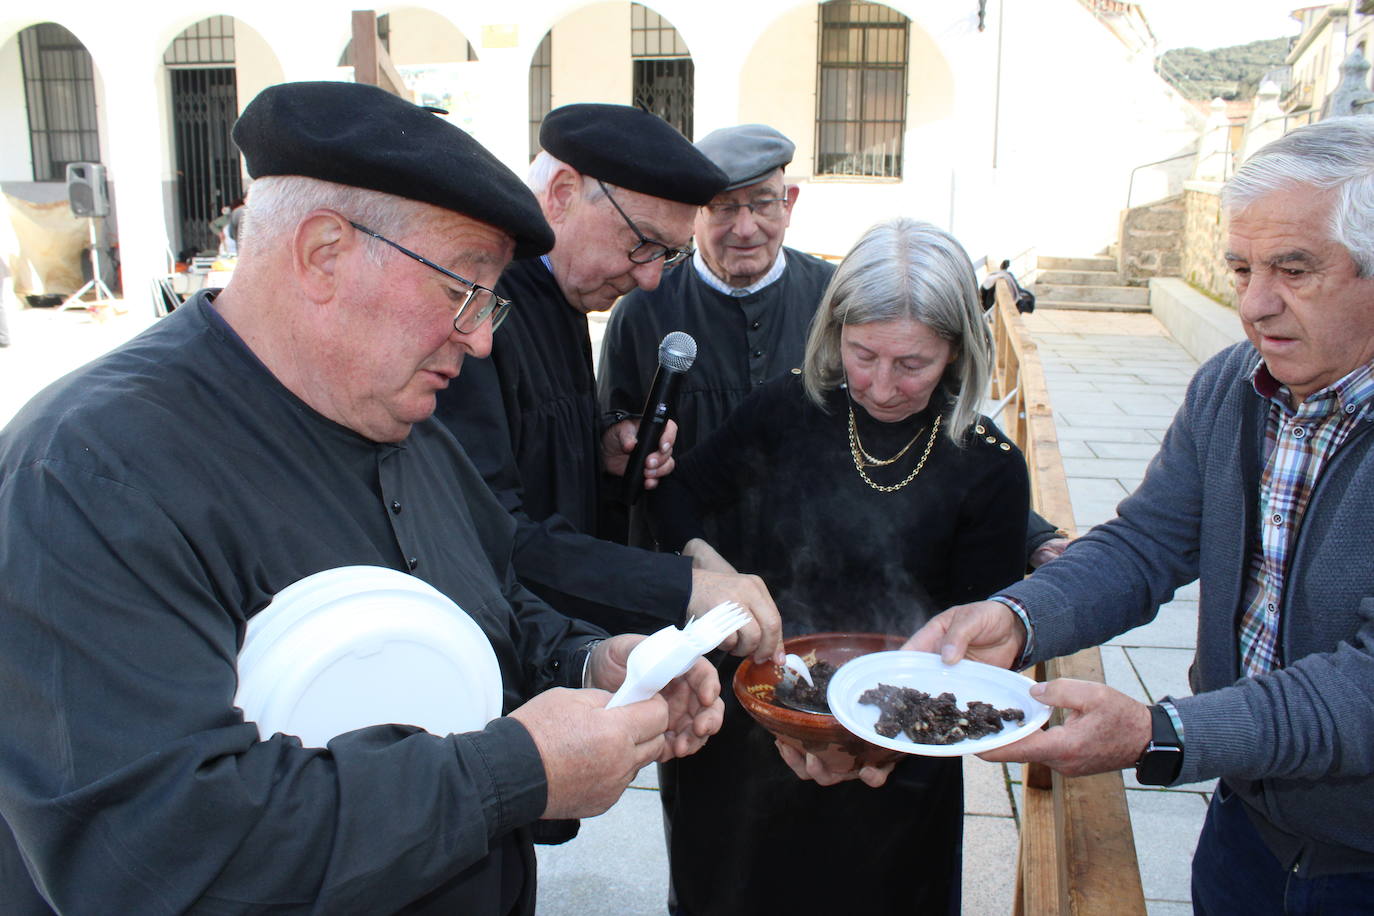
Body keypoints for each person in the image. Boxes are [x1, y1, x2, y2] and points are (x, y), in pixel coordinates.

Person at [0, 81, 724, 915]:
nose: (482, 338)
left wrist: (593, 664)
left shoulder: (409, 430)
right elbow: (154, 846)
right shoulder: (92, 469)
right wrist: (519, 771)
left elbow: (500, 608)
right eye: (463, 290)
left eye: (490, 301)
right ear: (323, 254)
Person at [911, 116, 1374, 913]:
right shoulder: (1235, 384)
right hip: (1246, 830)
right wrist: (1017, 618)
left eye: (1294, 270)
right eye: (1240, 268)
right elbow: (1147, 543)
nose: (1256, 305)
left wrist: (1162, 733)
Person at [646, 218, 1032, 914]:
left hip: (900, 747)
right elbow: (677, 497)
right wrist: (710, 571)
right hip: (755, 729)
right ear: (835, 333)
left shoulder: (989, 467)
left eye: (912, 364)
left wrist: (874, 749)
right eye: (862, 354)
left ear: (957, 351)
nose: (881, 386)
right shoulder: (788, 408)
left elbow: (977, 654)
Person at [598, 122, 1068, 567]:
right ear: (696, 212)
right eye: (723, 206)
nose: (745, 228)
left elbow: (933, 432)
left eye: (762, 203)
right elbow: (612, 438)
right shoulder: (644, 308)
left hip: (810, 566)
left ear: (789, 203)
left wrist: (1027, 531)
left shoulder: (841, 298)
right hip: (690, 564)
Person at [433, 104, 783, 659]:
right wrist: (683, 585)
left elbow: (535, 463)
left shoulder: (564, 289)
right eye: (641, 244)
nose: (648, 280)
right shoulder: (480, 310)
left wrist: (602, 450)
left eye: (667, 256)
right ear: (564, 193)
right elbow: (488, 535)